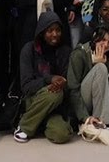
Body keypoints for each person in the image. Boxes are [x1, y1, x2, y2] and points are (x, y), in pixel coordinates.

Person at [15, 11, 74, 144]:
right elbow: (26, 87)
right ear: (42, 32)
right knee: (54, 94)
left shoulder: (65, 51)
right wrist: (49, 79)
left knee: (62, 135)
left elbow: (69, 83)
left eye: (58, 30)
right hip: (34, 99)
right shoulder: (29, 50)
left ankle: (38, 123)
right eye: (50, 31)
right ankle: (24, 126)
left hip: (55, 106)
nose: (55, 34)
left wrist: (62, 83)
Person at [67, 26, 109, 134]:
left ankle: (95, 121)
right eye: (103, 40)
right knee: (100, 68)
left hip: (99, 102)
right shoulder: (79, 54)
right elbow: (73, 89)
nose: (106, 45)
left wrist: (106, 65)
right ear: (95, 39)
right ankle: (104, 123)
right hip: (80, 101)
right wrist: (97, 65)